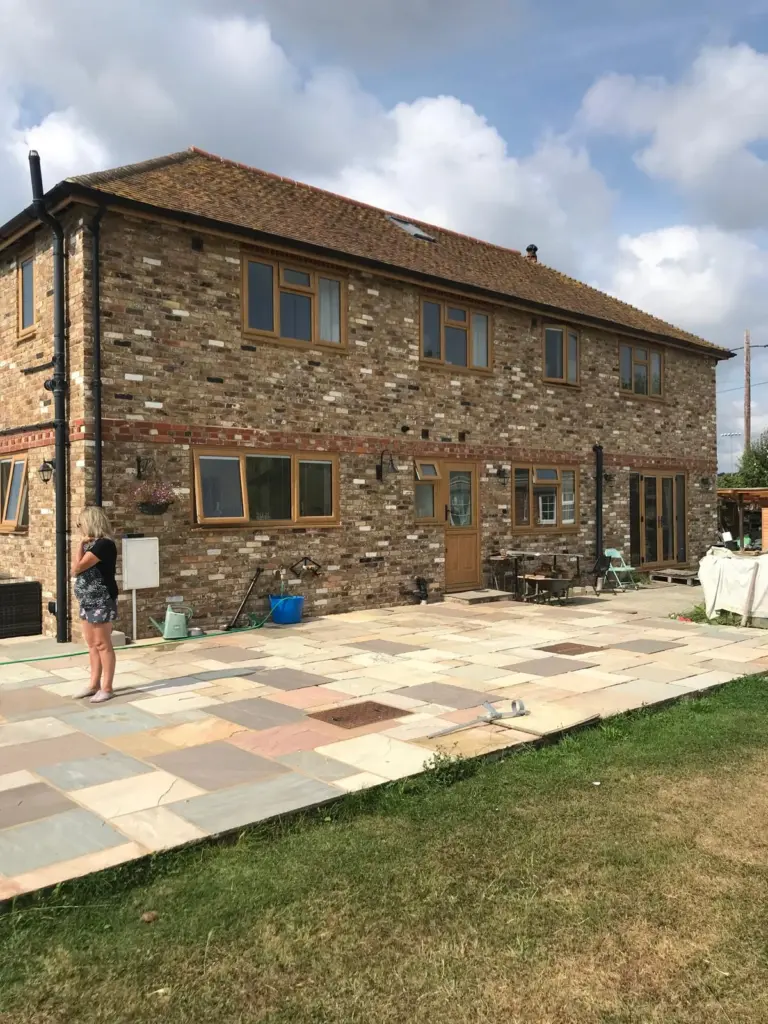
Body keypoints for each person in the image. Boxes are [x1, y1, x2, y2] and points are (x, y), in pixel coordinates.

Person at [71, 506, 119, 703]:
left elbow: (77, 568)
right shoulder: (91, 545)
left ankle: (107, 687)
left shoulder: (104, 545)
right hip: (87, 600)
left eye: (80, 524)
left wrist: (80, 545)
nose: (79, 528)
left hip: (101, 599)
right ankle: (93, 684)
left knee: (102, 643)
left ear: (90, 523)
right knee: (91, 644)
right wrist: (82, 544)